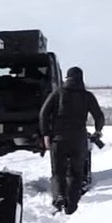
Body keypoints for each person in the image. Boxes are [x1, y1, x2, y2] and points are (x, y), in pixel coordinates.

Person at [38, 65, 104, 213]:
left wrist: (46, 134)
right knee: (76, 173)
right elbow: (99, 117)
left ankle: (59, 197)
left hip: (58, 139)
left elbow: (43, 113)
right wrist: (97, 131)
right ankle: (72, 205)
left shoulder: (58, 93)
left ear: (67, 78)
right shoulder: (87, 96)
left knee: (58, 172)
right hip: (78, 138)